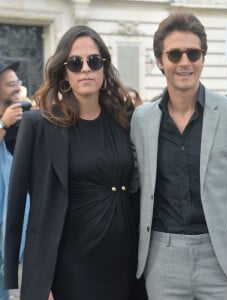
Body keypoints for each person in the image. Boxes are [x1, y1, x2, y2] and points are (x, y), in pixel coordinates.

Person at [130, 12, 227, 300]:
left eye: (193, 53)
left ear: (203, 57)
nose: (185, 62)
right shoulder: (141, 119)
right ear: (160, 60)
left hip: (222, 257)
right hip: (162, 256)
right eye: (175, 54)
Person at [3, 25, 142, 300]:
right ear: (64, 72)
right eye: (75, 63)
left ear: (104, 67)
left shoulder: (125, 120)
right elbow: (17, 202)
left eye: (94, 61)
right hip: (68, 268)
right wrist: (23, 277)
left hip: (123, 262)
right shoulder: (39, 125)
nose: (86, 69)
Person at [0, 61, 29, 300]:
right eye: (11, 84)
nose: (17, 87)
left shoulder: (26, 120)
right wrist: (3, 123)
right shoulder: (6, 123)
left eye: (17, 82)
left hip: (22, 240)